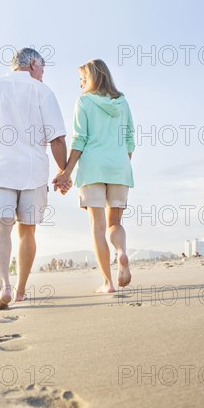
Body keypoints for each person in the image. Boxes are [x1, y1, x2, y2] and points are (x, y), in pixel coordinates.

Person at [0, 47, 69, 310]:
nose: (43, 76)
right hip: (33, 172)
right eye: (43, 71)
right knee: (28, 230)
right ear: (33, 64)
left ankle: (4, 285)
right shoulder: (42, 91)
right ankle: (21, 290)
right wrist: (64, 172)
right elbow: (57, 137)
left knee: (1, 224)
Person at [54, 59, 135, 293]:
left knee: (97, 228)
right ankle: (121, 253)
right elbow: (130, 137)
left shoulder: (84, 101)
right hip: (119, 166)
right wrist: (121, 161)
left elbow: (79, 139)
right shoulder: (123, 102)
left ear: (90, 79)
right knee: (115, 223)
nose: (80, 85)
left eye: (82, 80)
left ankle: (108, 283)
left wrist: (66, 171)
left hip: (92, 169)